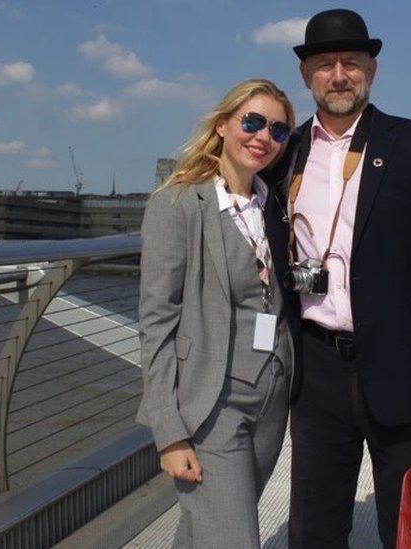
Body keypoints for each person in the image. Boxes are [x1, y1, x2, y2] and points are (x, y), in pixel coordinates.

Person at [271, 9, 411, 548]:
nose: (339, 75)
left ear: (372, 69)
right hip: (314, 371)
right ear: (305, 75)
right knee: (313, 528)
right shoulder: (283, 151)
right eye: (324, 64)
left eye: (351, 63)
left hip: (405, 367)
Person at [135, 79, 298, 548]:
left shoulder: (275, 204)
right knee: (233, 538)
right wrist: (169, 433)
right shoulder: (180, 203)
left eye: (278, 130)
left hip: (271, 399)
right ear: (224, 125)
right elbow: (156, 321)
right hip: (212, 404)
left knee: (205, 530)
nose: (263, 136)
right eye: (251, 122)